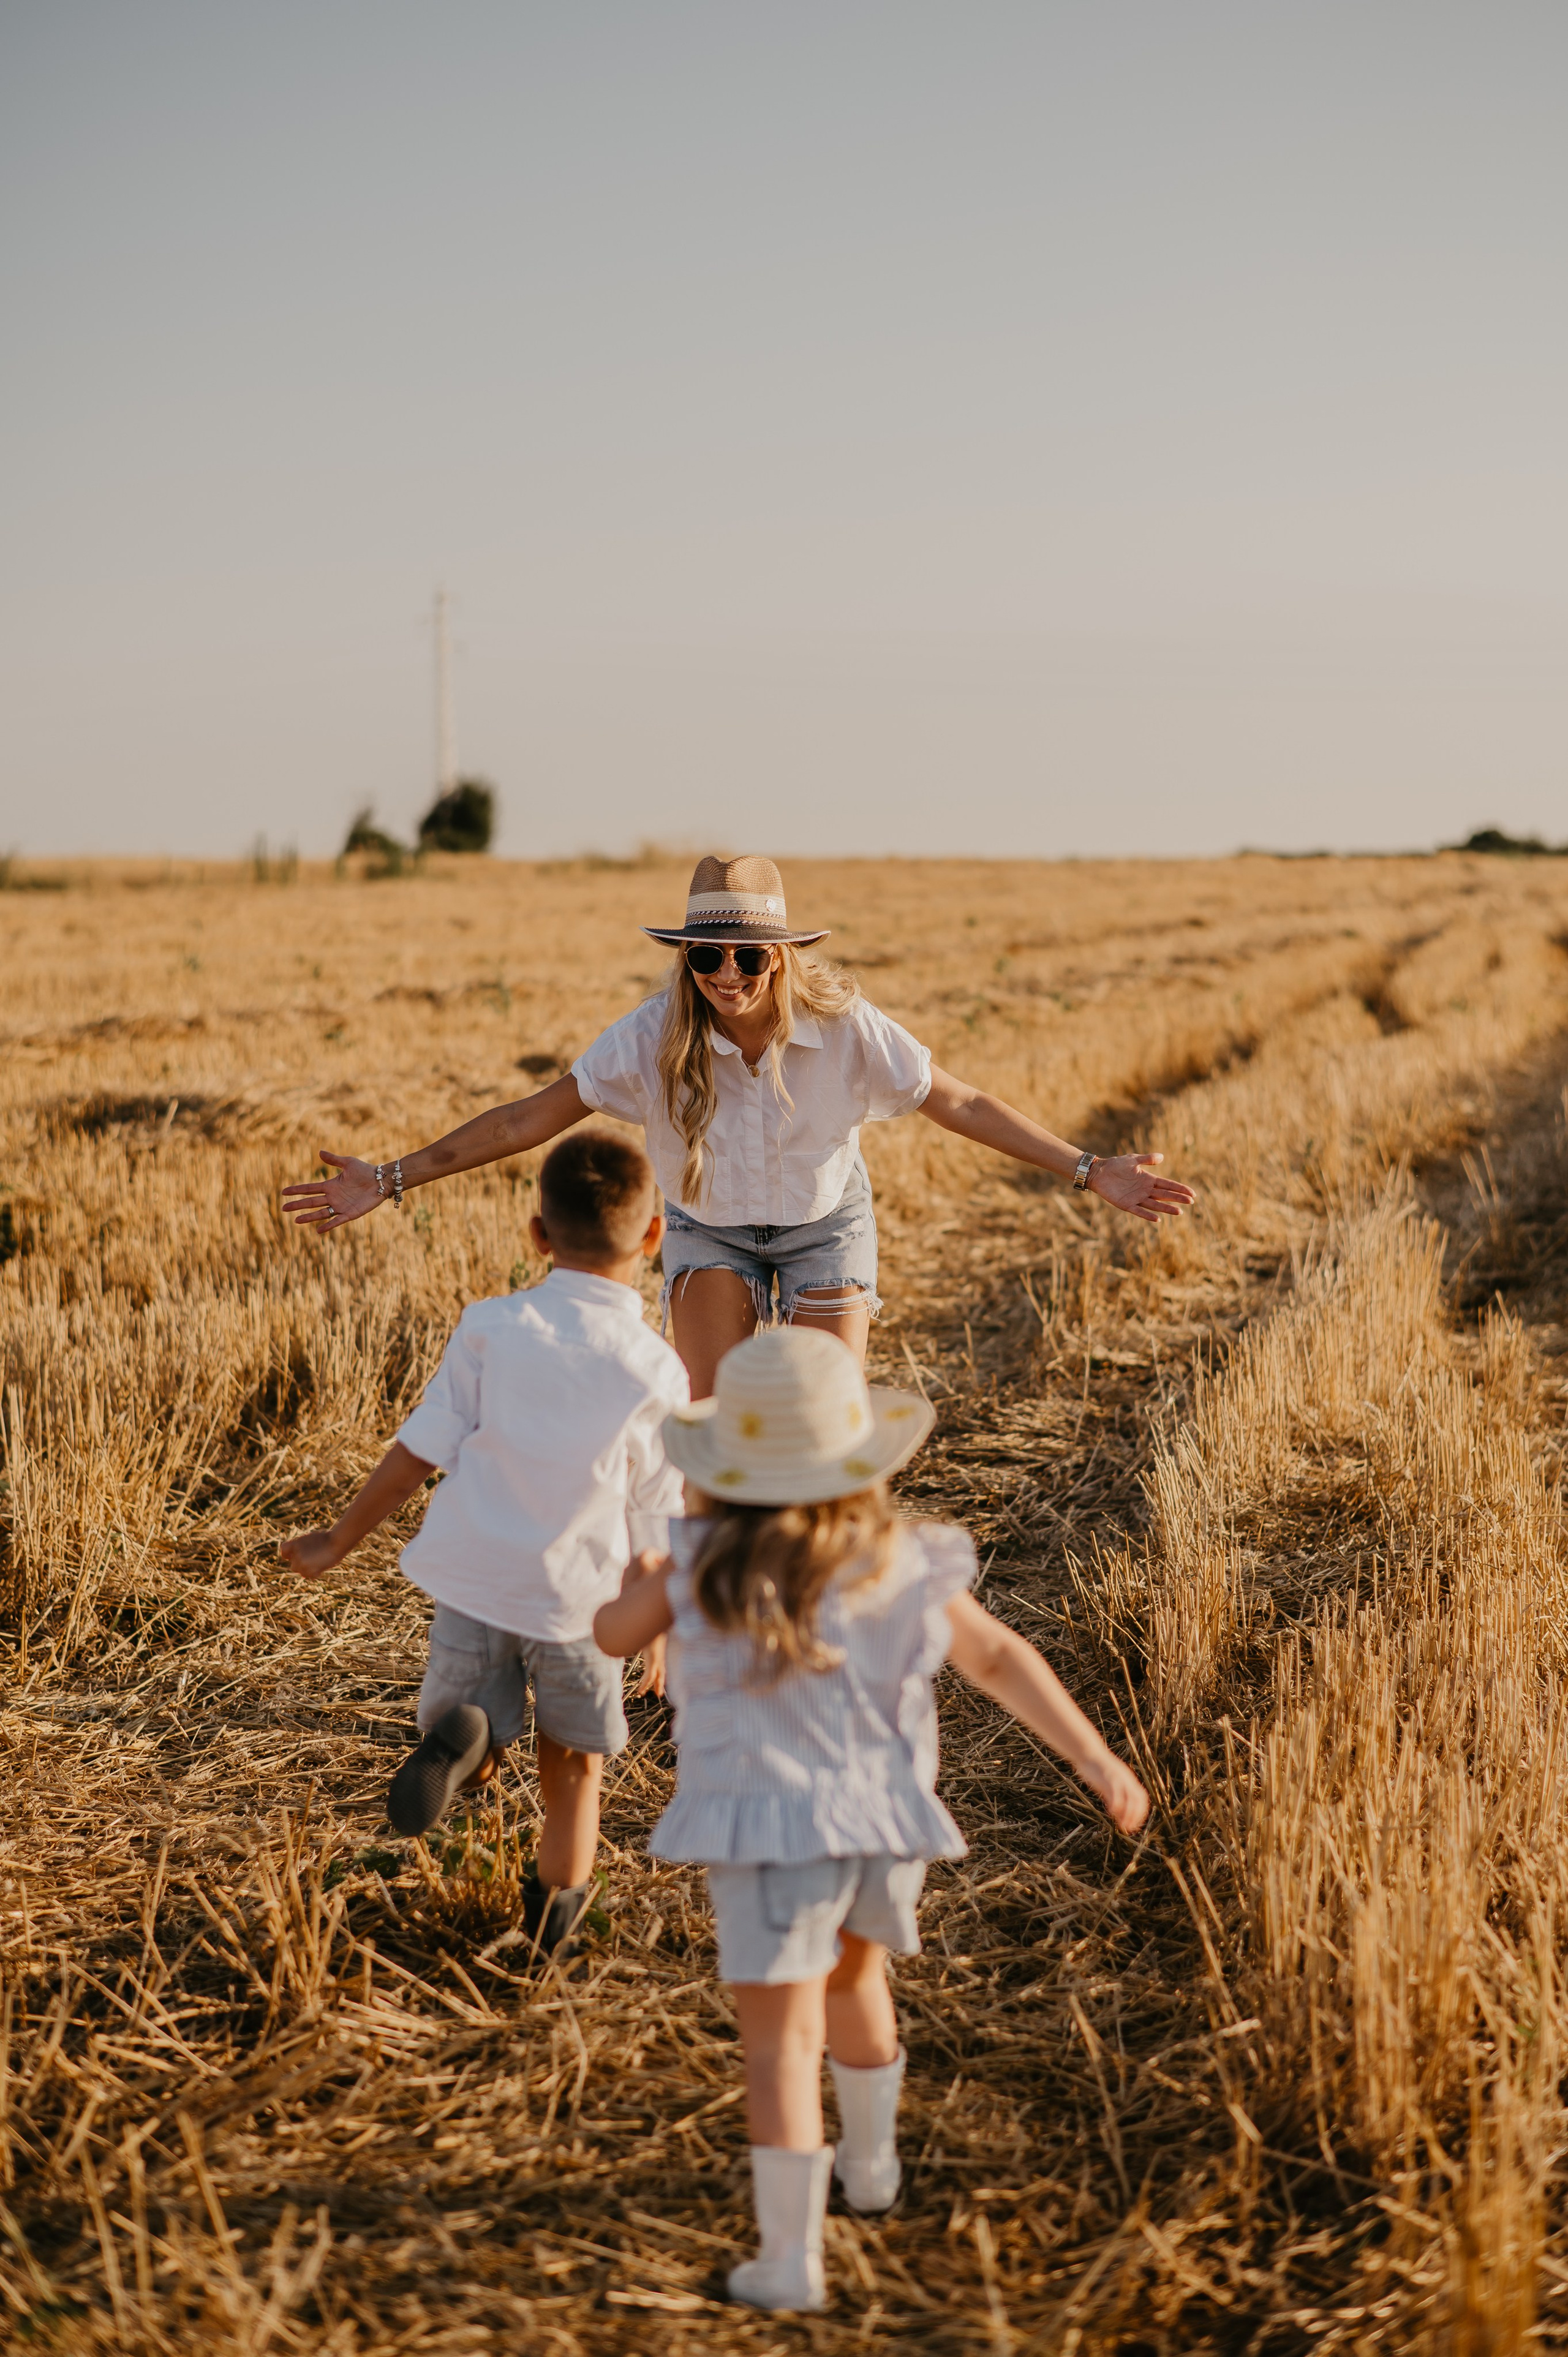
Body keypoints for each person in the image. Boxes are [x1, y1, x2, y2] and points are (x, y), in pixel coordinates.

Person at [592, 1326, 1150, 2315]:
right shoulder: (898, 1557)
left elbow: (608, 1635)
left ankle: (789, 2262)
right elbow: (996, 1659)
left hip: (768, 1833)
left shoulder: (702, 1566)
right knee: (857, 1978)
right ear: (857, 1460)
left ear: (725, 1466)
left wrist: (643, 1573)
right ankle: (873, 2166)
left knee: (778, 2043)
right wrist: (1092, 1754)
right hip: (884, 1825)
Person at [281, 856, 1196, 1397]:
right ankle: (684, 1635)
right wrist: (393, 1178)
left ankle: (813, 1619)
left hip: (825, 1230)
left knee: (818, 1433)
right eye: (706, 956)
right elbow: (529, 1118)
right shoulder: (651, 1037)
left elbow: (956, 1101)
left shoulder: (845, 1030)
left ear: (784, 956)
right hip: (707, 1230)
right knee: (713, 1433)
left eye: (749, 954)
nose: (727, 973)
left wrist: (1087, 1170)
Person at [279, 1131, 687, 1958]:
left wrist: (337, 1538)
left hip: (473, 1581)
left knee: (476, 1726)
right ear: (653, 1238)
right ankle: (544, 1946)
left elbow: (417, 1450)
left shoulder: (491, 1327)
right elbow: (654, 1523)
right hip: (581, 1606)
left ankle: (467, 1745)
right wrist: (659, 1631)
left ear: (537, 1235)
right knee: (574, 1778)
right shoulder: (654, 1369)